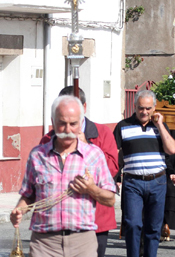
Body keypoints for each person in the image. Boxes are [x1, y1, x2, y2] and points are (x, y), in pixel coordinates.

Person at [10, 95, 116, 256]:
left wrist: (92, 189)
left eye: (73, 124)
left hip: (82, 242)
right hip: (44, 243)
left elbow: (110, 199)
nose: (67, 130)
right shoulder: (38, 155)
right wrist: (19, 210)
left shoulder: (94, 155)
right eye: (62, 123)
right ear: (53, 121)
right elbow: (28, 195)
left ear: (81, 123)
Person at [38, 87, 119, 257]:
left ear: (84, 107)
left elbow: (112, 168)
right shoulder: (48, 138)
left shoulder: (102, 132)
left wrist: (87, 146)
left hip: (95, 219)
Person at [114, 90, 175, 257]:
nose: (144, 112)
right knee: (133, 224)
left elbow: (172, 149)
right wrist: (114, 178)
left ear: (154, 108)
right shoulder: (123, 126)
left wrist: (160, 126)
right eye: (141, 108)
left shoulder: (160, 127)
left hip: (157, 182)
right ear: (135, 106)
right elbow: (114, 155)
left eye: (148, 108)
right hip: (133, 182)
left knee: (154, 227)